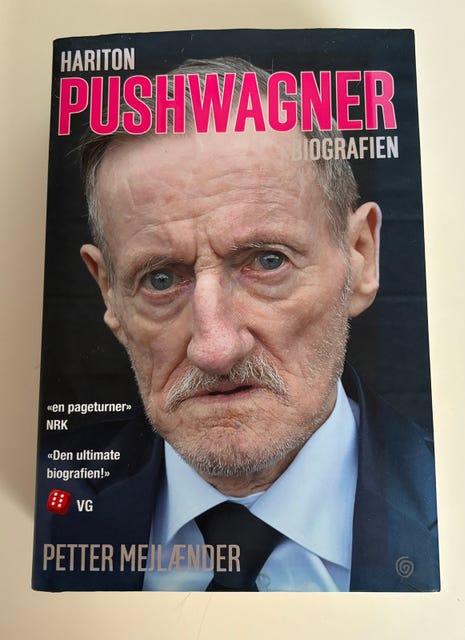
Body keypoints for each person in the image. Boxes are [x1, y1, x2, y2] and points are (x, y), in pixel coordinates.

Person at [34, 58, 439, 592]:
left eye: (268, 262)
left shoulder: (459, 503)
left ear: (360, 256)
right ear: (108, 291)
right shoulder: (38, 516)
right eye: (160, 279)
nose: (216, 348)